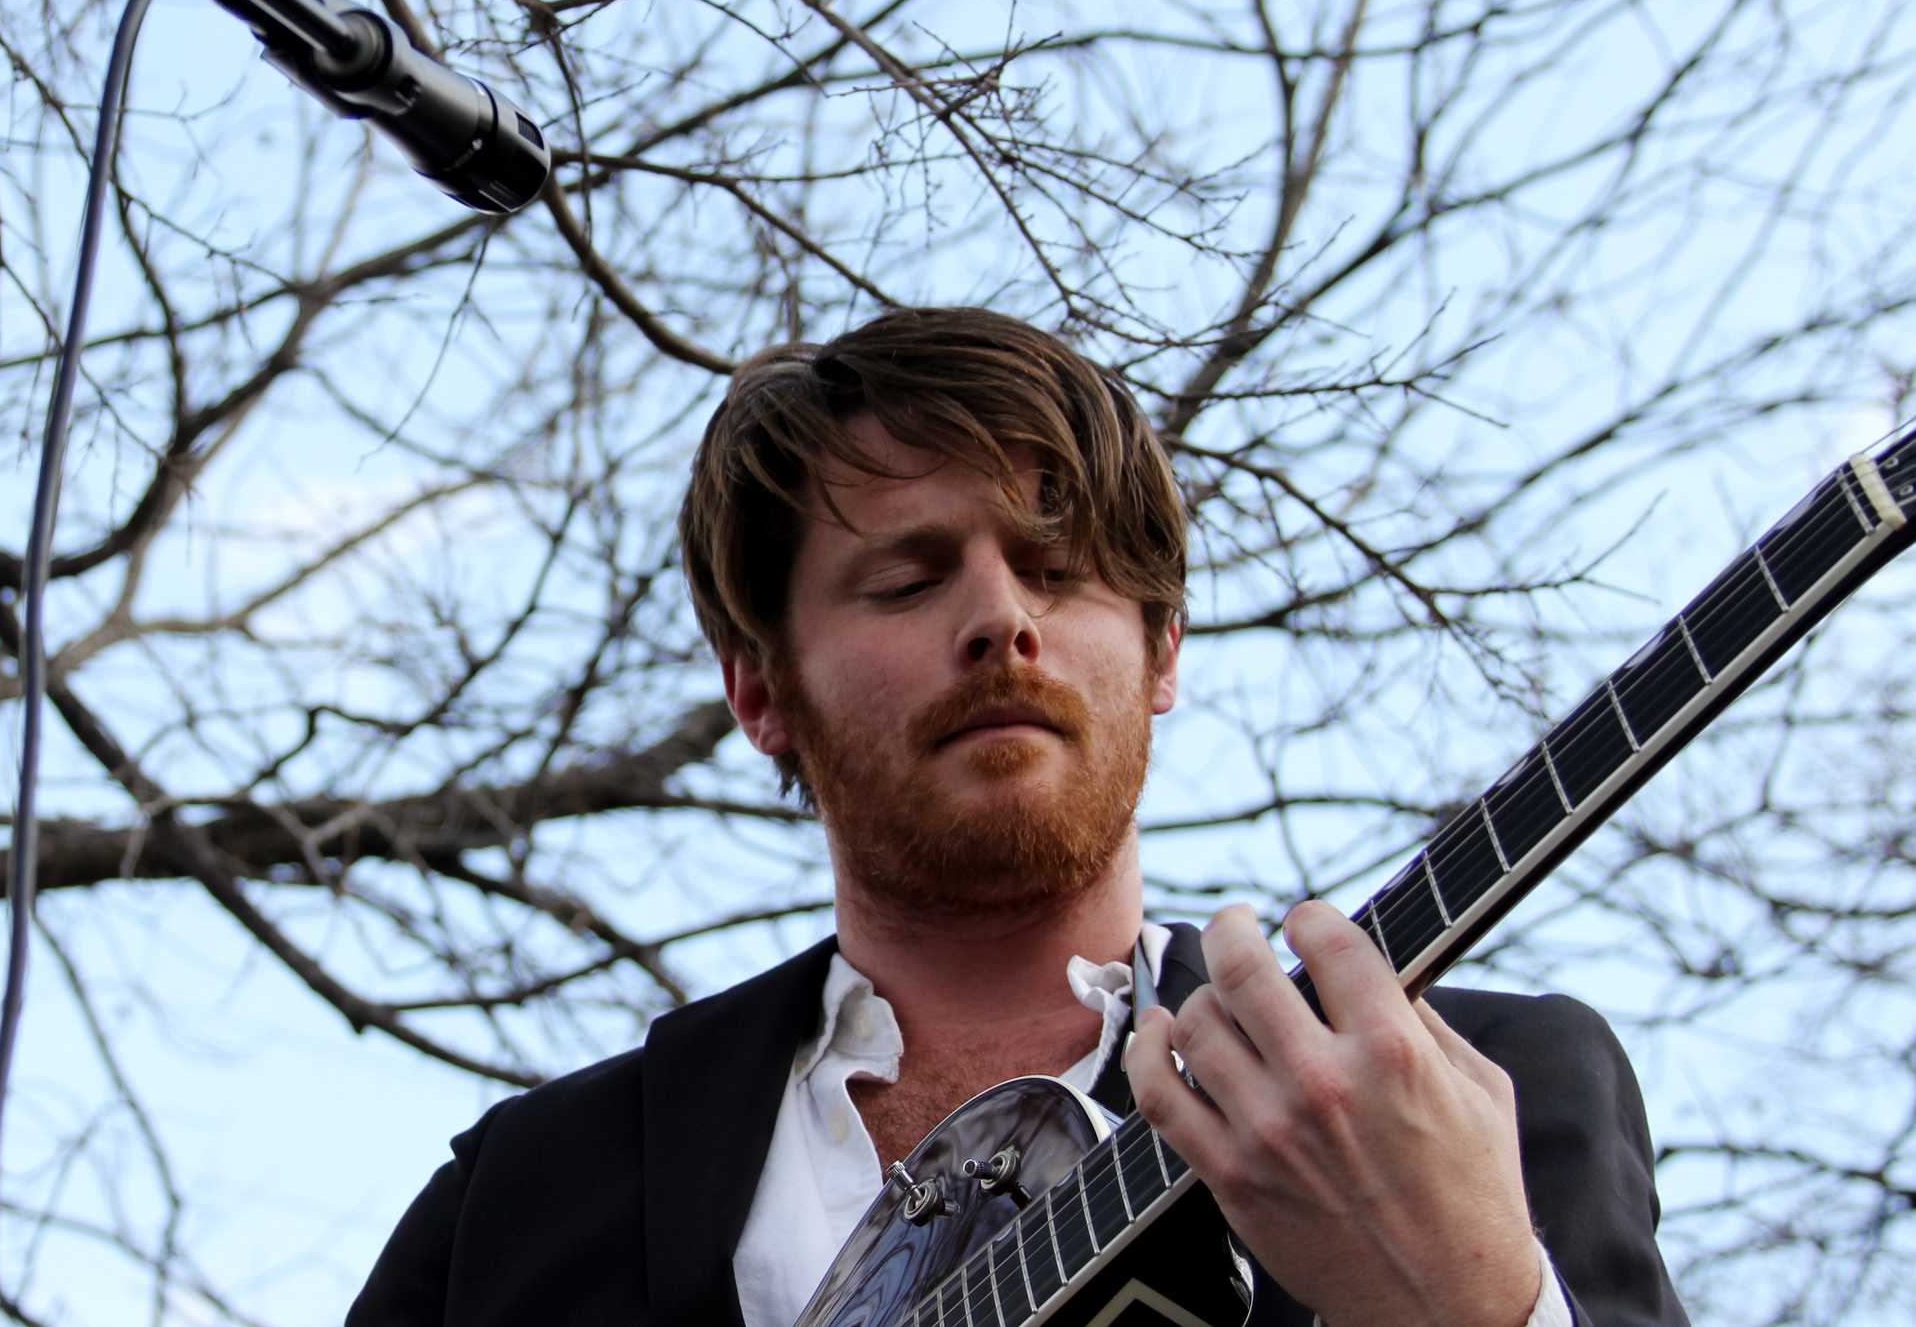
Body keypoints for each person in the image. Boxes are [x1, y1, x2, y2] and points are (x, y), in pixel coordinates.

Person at [347, 307, 1688, 1327]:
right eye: (906, 581)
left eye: (1058, 570)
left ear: (1163, 653)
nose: (1002, 621)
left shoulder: (1469, 1092)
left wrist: (1482, 1316)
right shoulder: (526, 1197)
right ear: (763, 692)